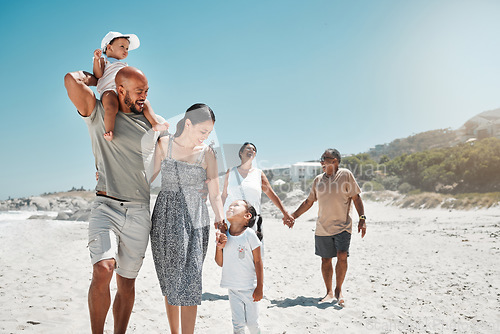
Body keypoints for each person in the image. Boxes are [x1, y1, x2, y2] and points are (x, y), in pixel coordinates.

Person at [64, 66, 165, 333]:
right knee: (103, 268)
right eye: (139, 90)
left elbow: (165, 163)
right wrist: (97, 78)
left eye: (146, 90)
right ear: (120, 90)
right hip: (106, 205)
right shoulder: (98, 113)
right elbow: (70, 81)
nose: (144, 96)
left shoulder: (152, 123)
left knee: (127, 283)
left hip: (139, 210)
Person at [150, 103, 225, 334]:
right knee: (171, 279)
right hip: (165, 218)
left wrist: (221, 223)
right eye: (203, 131)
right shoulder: (164, 144)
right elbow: (146, 178)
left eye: (209, 133)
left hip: (196, 220)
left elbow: (214, 194)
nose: (206, 136)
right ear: (189, 123)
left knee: (191, 279)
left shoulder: (208, 153)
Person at [287, 148, 367, 307]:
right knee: (326, 259)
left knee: (342, 255)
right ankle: (329, 291)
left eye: (325, 158)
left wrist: (362, 218)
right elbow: (309, 202)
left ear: (335, 161)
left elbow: (356, 198)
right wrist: (293, 216)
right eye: (321, 158)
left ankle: (338, 290)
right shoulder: (318, 180)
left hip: (343, 226)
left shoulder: (345, 175)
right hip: (323, 227)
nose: (321, 161)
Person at [93, 31, 167, 141]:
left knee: (145, 102)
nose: (125, 50)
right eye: (122, 46)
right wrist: (96, 59)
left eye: (127, 48)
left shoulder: (124, 65)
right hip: (109, 90)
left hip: (124, 89)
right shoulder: (105, 60)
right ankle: (109, 130)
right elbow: (98, 74)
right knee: (111, 107)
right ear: (109, 47)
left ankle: (155, 123)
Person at [221, 142, 294, 241]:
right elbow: (224, 196)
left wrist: (285, 214)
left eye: (254, 150)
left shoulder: (258, 174)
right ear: (241, 153)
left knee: (254, 253)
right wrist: (219, 216)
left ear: (255, 155)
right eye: (248, 149)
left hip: (252, 222)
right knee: (229, 251)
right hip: (232, 220)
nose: (251, 150)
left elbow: (272, 195)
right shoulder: (231, 172)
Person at [215, 200, 263, 334]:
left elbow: (258, 261)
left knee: (252, 324)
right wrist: (219, 247)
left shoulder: (250, 235)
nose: (231, 206)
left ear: (247, 216)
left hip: (250, 289)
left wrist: (259, 287)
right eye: (230, 205)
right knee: (238, 325)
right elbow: (220, 262)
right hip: (233, 289)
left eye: (236, 205)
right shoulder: (224, 235)